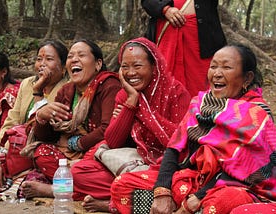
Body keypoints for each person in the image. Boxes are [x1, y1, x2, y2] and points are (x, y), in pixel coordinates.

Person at [139, 44, 276, 214]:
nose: (217, 73)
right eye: (213, 66)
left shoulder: (257, 114)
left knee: (216, 205)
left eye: (226, 67)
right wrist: (162, 191)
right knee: (125, 184)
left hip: (240, 186)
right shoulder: (199, 105)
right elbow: (174, 148)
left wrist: (198, 197)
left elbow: (247, 172)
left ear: (247, 78)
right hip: (195, 177)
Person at [71, 37, 191, 213]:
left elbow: (176, 142)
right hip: (138, 162)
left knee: (134, 184)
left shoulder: (176, 92)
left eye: (137, 66)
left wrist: (140, 108)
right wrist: (131, 101)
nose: (130, 73)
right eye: (125, 67)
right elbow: (113, 142)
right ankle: (126, 198)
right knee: (79, 171)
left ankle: (115, 203)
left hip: (170, 167)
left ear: (154, 66)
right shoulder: (125, 94)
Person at [20, 39, 122, 199]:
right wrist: (42, 116)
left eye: (81, 55)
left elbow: (107, 130)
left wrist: (75, 144)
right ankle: (74, 185)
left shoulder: (109, 85)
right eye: (71, 56)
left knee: (88, 163)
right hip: (71, 158)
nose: (74, 59)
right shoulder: (66, 91)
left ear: (98, 63)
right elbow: (49, 137)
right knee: (42, 152)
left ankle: (57, 190)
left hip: (98, 155)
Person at [0, 40, 69, 197]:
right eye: (39, 59)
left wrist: (39, 90)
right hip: (14, 148)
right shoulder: (27, 83)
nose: (42, 64)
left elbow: (49, 128)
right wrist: (0, 154)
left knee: (27, 185)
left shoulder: (67, 88)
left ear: (64, 67)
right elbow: (11, 121)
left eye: (49, 59)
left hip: (43, 151)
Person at [141, 0, 226, 97]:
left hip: (201, 37)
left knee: (203, 81)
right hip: (167, 36)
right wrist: (165, 10)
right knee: (164, 80)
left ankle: (203, 110)